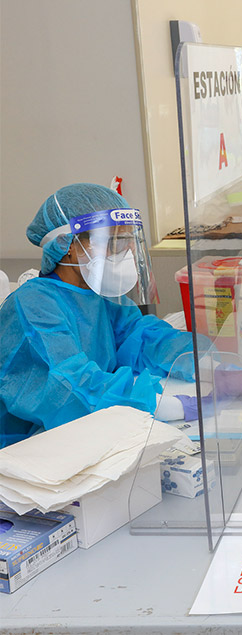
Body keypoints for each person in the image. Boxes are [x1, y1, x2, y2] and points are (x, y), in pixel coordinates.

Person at [0, 184, 198, 448]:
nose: (123, 254)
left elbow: (148, 339)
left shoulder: (100, 299)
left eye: (127, 243)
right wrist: (175, 407)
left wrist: (214, 364)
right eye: (111, 242)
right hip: (26, 452)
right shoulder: (33, 305)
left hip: (83, 435)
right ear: (68, 244)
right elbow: (71, 389)